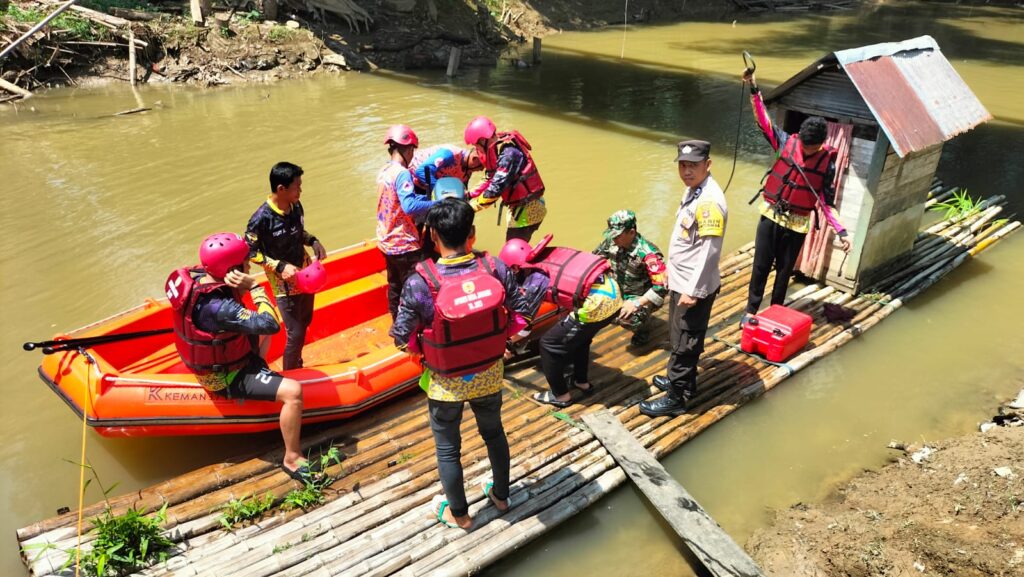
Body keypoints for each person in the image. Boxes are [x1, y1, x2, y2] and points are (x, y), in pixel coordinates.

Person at [389, 198, 531, 530]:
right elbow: (523, 316)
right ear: (473, 233)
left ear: (432, 236)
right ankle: (501, 495)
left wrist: (419, 351)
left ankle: (461, 515)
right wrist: (503, 340)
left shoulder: (422, 282)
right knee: (494, 434)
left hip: (445, 380)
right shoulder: (494, 268)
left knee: (448, 448)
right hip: (489, 373)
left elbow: (401, 336)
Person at [165, 233, 310, 480]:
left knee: (258, 331)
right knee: (293, 392)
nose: (249, 265)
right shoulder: (219, 308)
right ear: (233, 270)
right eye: (245, 262)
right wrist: (255, 287)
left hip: (223, 355)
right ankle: (292, 458)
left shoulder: (202, 277)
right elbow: (271, 324)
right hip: (225, 376)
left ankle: (259, 370)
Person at [741, 69, 851, 323]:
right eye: (804, 145)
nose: (807, 150)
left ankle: (775, 311)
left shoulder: (827, 163)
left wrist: (842, 232)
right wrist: (754, 87)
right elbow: (763, 121)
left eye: (812, 147)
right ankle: (750, 311)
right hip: (771, 215)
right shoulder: (784, 142)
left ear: (822, 144)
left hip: (798, 224)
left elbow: (826, 202)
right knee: (760, 267)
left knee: (784, 271)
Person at [640, 140, 727, 417]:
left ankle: (676, 398)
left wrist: (694, 290)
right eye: (683, 165)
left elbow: (709, 251)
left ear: (708, 165)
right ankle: (684, 381)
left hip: (693, 286)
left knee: (684, 341)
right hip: (682, 279)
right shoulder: (694, 190)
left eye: (694, 166)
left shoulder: (709, 200)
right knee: (679, 335)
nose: (687, 171)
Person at [499, 235, 622, 408]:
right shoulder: (546, 257)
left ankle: (561, 396)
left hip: (597, 306)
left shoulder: (535, 281)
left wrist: (508, 344)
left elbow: (525, 322)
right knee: (581, 339)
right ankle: (581, 382)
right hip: (614, 294)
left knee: (549, 345)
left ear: (516, 267)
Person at [245, 162, 326, 371]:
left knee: (306, 320)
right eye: (297, 186)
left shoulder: (296, 205)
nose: (300, 190)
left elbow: (299, 232)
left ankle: (298, 362)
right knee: (295, 332)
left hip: (305, 273)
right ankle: (291, 374)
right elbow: (251, 252)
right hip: (282, 282)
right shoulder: (260, 219)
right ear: (281, 189)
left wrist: (314, 241)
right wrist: (279, 267)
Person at [376, 124, 435, 319]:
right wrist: (435, 203)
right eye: (412, 151)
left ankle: (397, 323)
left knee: (395, 286)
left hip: (386, 241)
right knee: (417, 288)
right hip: (404, 244)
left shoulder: (384, 171)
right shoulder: (402, 173)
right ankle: (420, 327)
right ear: (408, 149)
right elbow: (409, 206)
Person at [463, 116, 547, 242]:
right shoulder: (497, 150)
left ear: (483, 140)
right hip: (521, 208)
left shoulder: (509, 154)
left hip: (529, 210)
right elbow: (490, 178)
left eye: (476, 145)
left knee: (513, 252)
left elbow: (495, 189)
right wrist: (469, 194)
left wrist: (470, 208)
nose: (477, 150)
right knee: (515, 244)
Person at [593, 209, 669, 347]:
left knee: (629, 319)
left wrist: (637, 303)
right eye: (612, 235)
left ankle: (643, 329)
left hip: (640, 296)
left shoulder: (648, 254)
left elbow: (662, 287)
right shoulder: (612, 241)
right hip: (618, 289)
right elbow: (595, 258)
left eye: (617, 235)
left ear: (632, 232)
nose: (613, 239)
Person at [408, 143, 483, 193]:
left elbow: (462, 191)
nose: (482, 169)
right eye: (482, 166)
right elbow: (421, 171)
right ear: (474, 159)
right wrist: (443, 192)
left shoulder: (468, 170)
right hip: (412, 180)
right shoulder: (449, 154)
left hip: (430, 185)